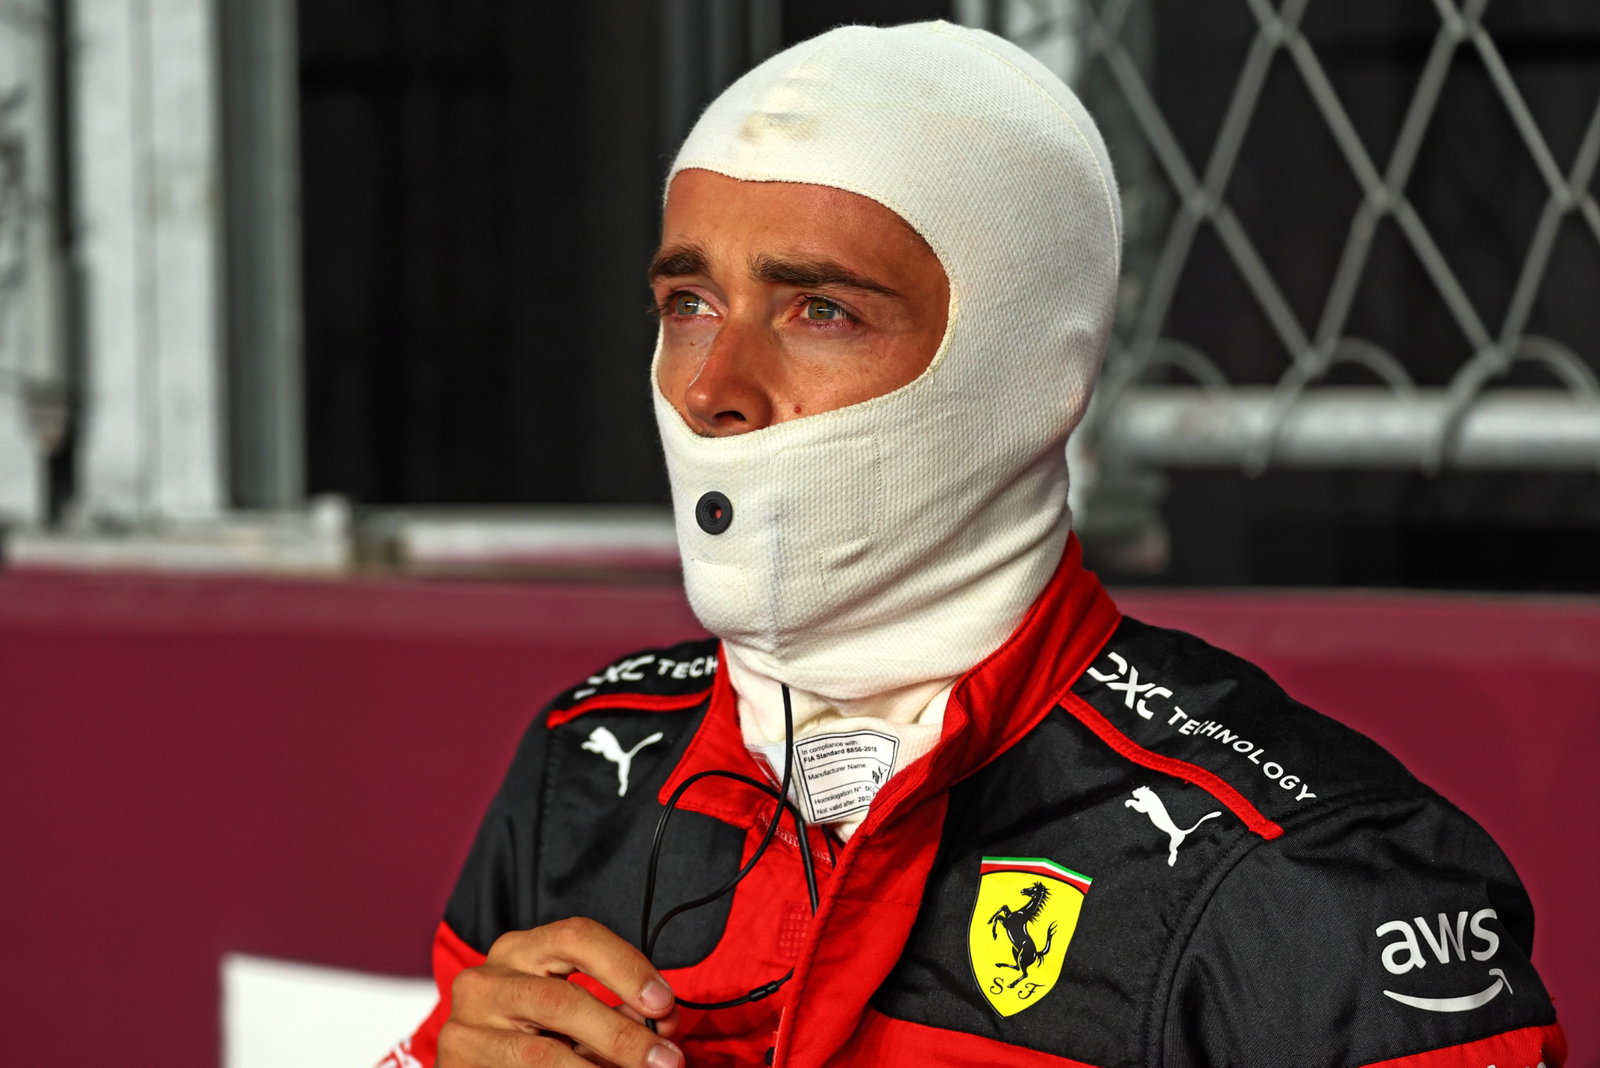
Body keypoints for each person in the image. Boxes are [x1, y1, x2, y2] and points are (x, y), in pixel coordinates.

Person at [383, 21, 1566, 1068]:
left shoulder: (1300, 882)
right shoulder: (584, 769)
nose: (712, 388)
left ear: (1033, 378)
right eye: (689, 302)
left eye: (819, 310)